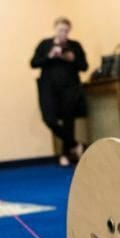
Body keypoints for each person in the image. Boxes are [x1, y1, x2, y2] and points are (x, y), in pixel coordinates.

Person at [31, 18, 87, 166]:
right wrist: (49, 56)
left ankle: (66, 155)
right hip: (48, 87)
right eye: (61, 30)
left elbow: (84, 66)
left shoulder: (75, 46)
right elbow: (34, 62)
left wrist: (72, 59)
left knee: (69, 121)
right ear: (55, 29)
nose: (63, 33)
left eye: (66, 30)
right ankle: (75, 145)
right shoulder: (45, 44)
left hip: (69, 87)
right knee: (49, 118)